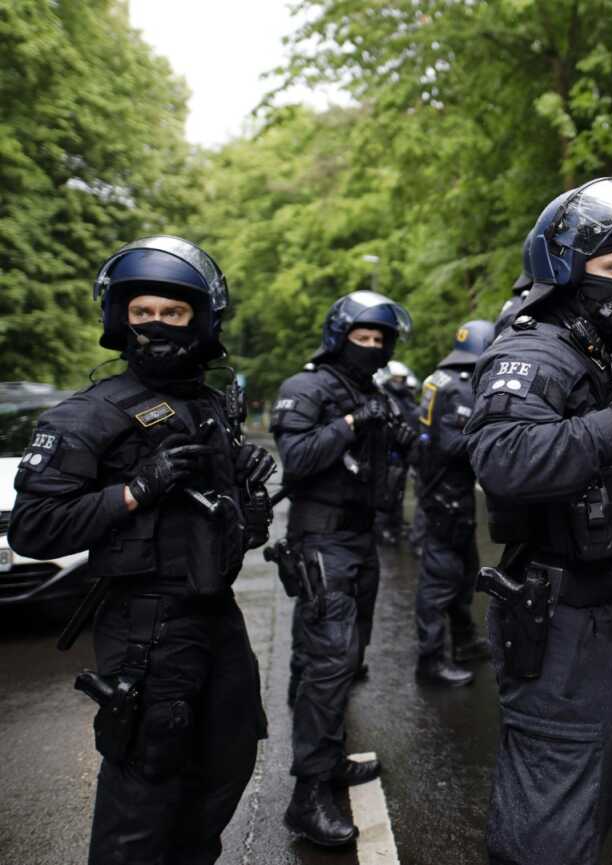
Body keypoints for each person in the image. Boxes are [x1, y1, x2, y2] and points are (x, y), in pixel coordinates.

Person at [9, 236, 274, 864]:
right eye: (142, 313)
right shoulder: (86, 416)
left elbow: (218, 521)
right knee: (144, 792)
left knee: (227, 760)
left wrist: (251, 509)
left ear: (202, 319)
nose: (156, 326)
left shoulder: (206, 405)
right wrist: (135, 491)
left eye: (173, 313)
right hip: (145, 625)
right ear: (118, 320)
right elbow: (34, 529)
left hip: (215, 614)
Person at [465, 177, 612, 864]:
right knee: (551, 816)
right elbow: (504, 457)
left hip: (590, 608)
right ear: (566, 268)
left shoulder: (587, 353)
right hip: (557, 612)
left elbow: (585, 452)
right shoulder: (534, 352)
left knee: (582, 789)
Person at [272, 290, 416, 846]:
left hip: (360, 537)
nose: (373, 347)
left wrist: (399, 436)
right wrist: (354, 421)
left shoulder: (372, 389)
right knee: (328, 663)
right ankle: (307, 795)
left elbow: (396, 456)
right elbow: (299, 458)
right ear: (339, 336)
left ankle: (328, 762)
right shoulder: (306, 388)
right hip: (321, 540)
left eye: (382, 339)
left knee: (349, 656)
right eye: (364, 337)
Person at [414, 320, 495, 686]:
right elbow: (451, 444)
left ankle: (464, 642)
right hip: (446, 495)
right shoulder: (460, 387)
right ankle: (431, 662)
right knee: (439, 583)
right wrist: (496, 437)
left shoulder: (439, 379)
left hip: (448, 493)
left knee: (463, 575)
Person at [373, 359, 421, 546]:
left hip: (402, 452)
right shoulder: (384, 397)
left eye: (402, 379)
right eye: (397, 378)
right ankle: (382, 528)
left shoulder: (403, 398)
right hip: (388, 452)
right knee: (387, 491)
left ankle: (394, 524)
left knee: (398, 490)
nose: (400, 382)